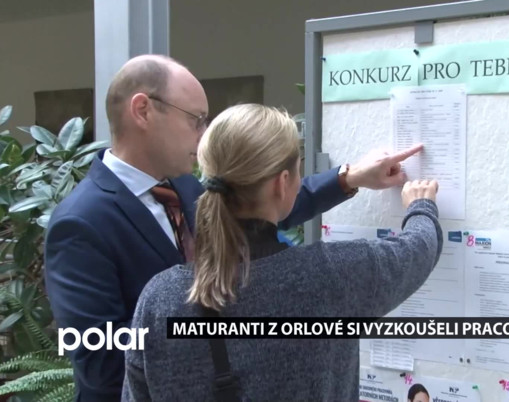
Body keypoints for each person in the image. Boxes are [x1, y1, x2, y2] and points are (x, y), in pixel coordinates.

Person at [44, 55, 423, 402]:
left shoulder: (185, 186)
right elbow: (96, 360)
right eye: (195, 119)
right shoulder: (80, 223)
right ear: (143, 110)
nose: (203, 133)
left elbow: (259, 208)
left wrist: (347, 178)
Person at [122, 104, 442, 401]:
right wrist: (421, 205)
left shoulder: (159, 300)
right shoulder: (331, 277)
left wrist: (349, 177)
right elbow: (418, 250)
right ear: (283, 182)